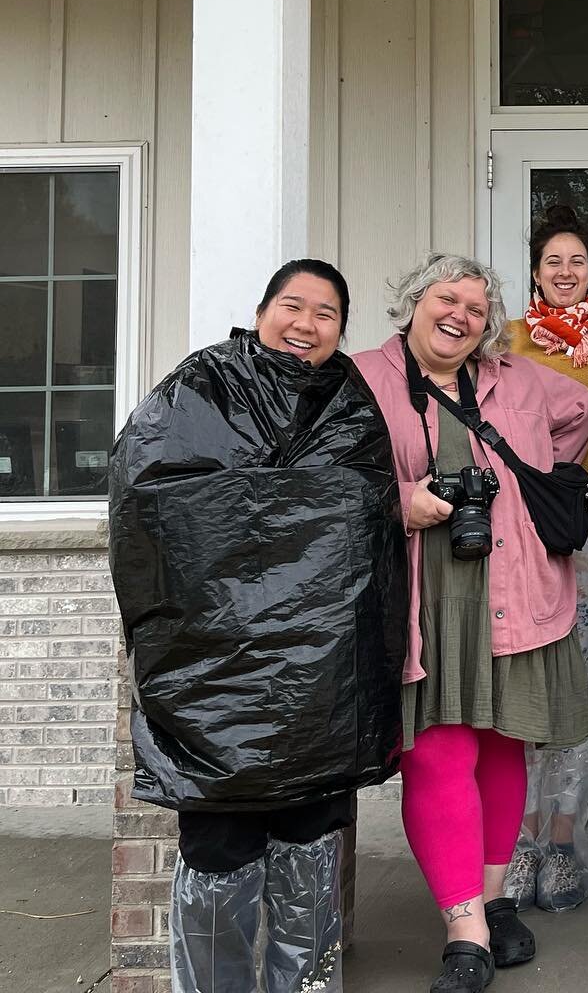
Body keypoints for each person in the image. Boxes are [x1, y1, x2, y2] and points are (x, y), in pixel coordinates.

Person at [109, 259, 405, 993]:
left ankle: (307, 985)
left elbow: (361, 523)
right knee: (218, 845)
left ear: (343, 328)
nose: (306, 324)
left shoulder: (350, 404)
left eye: (326, 313)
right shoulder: (201, 386)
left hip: (319, 680)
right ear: (262, 308)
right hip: (216, 676)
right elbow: (153, 503)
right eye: (293, 306)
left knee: (309, 839)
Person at [355, 254, 588, 993]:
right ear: (413, 301)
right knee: (436, 754)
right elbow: (330, 479)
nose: (460, 313)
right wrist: (402, 501)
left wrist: (532, 491)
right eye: (447, 297)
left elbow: (580, 413)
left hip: (515, 586)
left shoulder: (518, 378)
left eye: (476, 306)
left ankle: (492, 898)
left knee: (500, 748)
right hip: (422, 592)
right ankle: (465, 928)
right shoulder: (362, 378)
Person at [501, 205, 588, 913]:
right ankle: (522, 840)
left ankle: (563, 836)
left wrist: (567, 492)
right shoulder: (509, 337)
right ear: (535, 272)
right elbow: (494, 423)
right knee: (523, 678)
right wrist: (524, 498)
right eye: (552, 262)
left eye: (577, 263)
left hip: (584, 522)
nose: (565, 273)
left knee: (571, 670)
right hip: (514, 528)